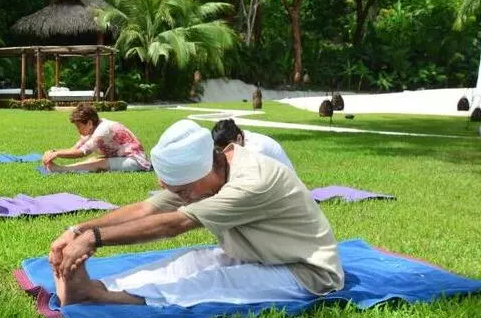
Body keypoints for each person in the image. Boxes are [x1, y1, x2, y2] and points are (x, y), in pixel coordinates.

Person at [48, 120, 343, 307]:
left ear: (202, 175)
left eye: (184, 191)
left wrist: (95, 240)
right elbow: (145, 209)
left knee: (210, 284)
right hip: (257, 253)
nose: (181, 197)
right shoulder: (206, 171)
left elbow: (174, 224)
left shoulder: (251, 181)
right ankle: (99, 287)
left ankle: (96, 296)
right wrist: (79, 230)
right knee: (188, 262)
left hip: (304, 271)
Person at [42, 103, 151, 173]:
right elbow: (76, 148)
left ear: (89, 123)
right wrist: (54, 151)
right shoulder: (95, 126)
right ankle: (61, 169)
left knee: (97, 164)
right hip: (122, 157)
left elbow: (82, 152)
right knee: (93, 160)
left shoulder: (102, 131)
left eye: (79, 126)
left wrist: (57, 154)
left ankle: (61, 170)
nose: (78, 130)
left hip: (136, 161)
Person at [211, 118, 295, 172]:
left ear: (239, 138)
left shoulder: (255, 149)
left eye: (229, 149)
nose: (225, 153)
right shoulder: (241, 140)